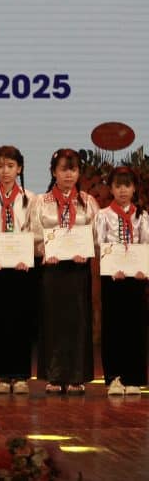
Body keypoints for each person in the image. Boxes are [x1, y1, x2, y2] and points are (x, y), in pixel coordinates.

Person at [34, 148, 97, 394]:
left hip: (78, 270)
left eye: (73, 169)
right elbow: (34, 233)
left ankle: (77, 376)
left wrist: (87, 251)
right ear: (53, 172)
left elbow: (96, 235)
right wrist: (45, 249)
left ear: (79, 173)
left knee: (78, 322)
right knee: (53, 320)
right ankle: (54, 376)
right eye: (63, 169)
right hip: (52, 269)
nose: (68, 175)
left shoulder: (88, 202)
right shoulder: (42, 202)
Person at [0, 145, 37, 395]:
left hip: (21, 268)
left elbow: (34, 230)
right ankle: (2, 375)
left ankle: (21, 375)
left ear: (19, 168)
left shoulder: (30, 198)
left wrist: (27, 256)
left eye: (11, 166)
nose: (5, 171)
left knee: (21, 321)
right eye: (1, 166)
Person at [95, 166, 149, 396]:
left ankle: (134, 377)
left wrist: (143, 269)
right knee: (113, 327)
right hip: (112, 279)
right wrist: (111, 267)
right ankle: (114, 378)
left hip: (135, 279)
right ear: (111, 188)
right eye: (118, 186)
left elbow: (146, 245)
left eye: (127, 185)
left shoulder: (142, 216)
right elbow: (100, 245)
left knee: (135, 327)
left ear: (134, 188)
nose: (123, 190)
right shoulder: (103, 215)